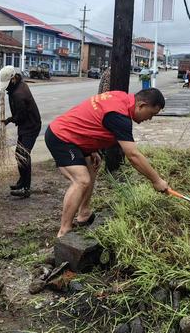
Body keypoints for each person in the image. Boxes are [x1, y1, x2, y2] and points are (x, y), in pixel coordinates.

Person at [45, 88, 168, 238]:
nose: (149, 119)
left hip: (74, 137)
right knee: (81, 180)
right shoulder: (119, 116)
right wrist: (156, 180)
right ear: (141, 105)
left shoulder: (121, 98)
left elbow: (94, 118)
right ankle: (64, 231)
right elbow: (133, 155)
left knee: (92, 167)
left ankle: (83, 214)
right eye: (151, 114)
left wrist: (92, 149)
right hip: (61, 137)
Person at [0, 66, 42, 198]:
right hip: (26, 125)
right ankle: (21, 182)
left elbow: (20, 116)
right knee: (19, 154)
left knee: (23, 156)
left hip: (31, 126)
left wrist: (8, 120)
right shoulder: (18, 86)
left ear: (13, 79)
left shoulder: (18, 94)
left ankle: (25, 189)